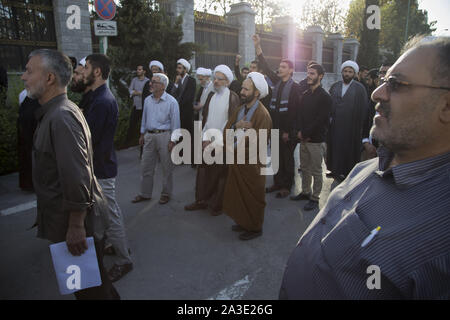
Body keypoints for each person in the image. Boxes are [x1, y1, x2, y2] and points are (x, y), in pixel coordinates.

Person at [279, 36, 450, 299]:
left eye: (396, 84)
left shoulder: (440, 241)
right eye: (383, 81)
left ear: (446, 106)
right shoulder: (365, 169)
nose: (377, 93)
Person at [21, 49, 119, 299]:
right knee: (98, 287)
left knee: (88, 292)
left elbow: (77, 176)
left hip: (73, 228)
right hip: (68, 224)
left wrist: (76, 225)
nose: (23, 77)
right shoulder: (55, 113)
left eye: (30, 71)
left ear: (50, 78)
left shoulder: (61, 117)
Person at [83, 53, 133, 283]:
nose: (82, 72)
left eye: (85, 68)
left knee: (110, 214)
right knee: (103, 214)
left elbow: (88, 140)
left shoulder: (103, 101)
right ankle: (110, 245)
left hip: (101, 169)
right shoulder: (96, 97)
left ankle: (124, 260)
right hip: (100, 167)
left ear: (97, 72)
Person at [222, 72, 273, 240]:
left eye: (246, 89)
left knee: (253, 196)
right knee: (238, 195)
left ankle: (255, 228)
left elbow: (258, 144)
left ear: (257, 93)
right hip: (237, 161)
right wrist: (237, 125)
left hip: (252, 165)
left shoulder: (262, 114)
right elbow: (226, 130)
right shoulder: (240, 110)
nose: (242, 92)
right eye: (242, 88)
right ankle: (244, 222)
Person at [184, 65, 240, 216]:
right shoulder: (211, 96)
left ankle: (217, 205)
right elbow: (206, 119)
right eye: (215, 78)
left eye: (219, 79)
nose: (215, 81)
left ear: (227, 81)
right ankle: (201, 200)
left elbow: (230, 124)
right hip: (207, 142)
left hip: (222, 143)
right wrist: (204, 138)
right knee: (203, 172)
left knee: (220, 175)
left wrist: (215, 141)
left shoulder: (232, 97)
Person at [253, 34, 302, 198]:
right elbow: (265, 66)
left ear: (291, 70)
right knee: (275, 157)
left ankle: (287, 186)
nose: (279, 69)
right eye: (279, 66)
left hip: (287, 131)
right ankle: (277, 183)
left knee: (287, 159)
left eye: (283, 67)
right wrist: (258, 46)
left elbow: (296, 112)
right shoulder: (277, 82)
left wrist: (290, 132)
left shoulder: (295, 88)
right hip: (274, 128)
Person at [132, 73, 181, 205]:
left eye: (154, 82)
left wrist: (173, 141)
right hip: (149, 136)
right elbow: (144, 118)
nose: (151, 84)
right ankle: (145, 193)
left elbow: (176, 123)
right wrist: (142, 134)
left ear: (163, 86)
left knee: (167, 168)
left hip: (165, 136)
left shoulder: (172, 102)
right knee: (146, 166)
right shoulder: (148, 100)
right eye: (151, 81)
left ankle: (166, 194)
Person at [290, 64, 332, 211]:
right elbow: (300, 115)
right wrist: (300, 132)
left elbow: (321, 120)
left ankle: (315, 198)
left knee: (316, 170)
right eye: (308, 73)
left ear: (320, 76)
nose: (308, 76)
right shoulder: (306, 95)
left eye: (312, 73)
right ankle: (306, 191)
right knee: (305, 168)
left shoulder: (325, 97)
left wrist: (307, 134)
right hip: (303, 138)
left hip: (316, 140)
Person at [327, 60, 369, 181]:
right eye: (345, 71)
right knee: (334, 147)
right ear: (342, 72)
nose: (347, 74)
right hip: (335, 125)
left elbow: (363, 109)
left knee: (348, 149)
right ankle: (334, 170)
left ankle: (346, 172)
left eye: (350, 72)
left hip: (351, 126)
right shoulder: (335, 86)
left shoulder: (359, 88)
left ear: (355, 74)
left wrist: (359, 126)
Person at [172, 58, 197, 165]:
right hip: (178, 113)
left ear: (185, 69)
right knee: (180, 135)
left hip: (187, 113)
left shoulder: (191, 80)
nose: (178, 70)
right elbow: (172, 95)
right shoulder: (177, 80)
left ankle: (190, 158)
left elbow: (189, 97)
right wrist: (176, 84)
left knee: (188, 135)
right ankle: (180, 156)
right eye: (177, 68)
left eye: (180, 68)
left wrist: (177, 103)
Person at [17, 90, 40, 191]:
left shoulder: (24, 95)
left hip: (29, 130)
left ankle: (28, 183)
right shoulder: (24, 94)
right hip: (29, 130)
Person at [126, 65, 149, 147]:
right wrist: (139, 93)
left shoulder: (148, 81)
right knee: (132, 124)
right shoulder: (134, 80)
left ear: (144, 71)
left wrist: (137, 92)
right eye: (137, 69)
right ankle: (129, 143)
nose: (138, 71)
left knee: (144, 126)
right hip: (136, 106)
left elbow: (147, 93)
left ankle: (144, 143)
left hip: (144, 107)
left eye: (140, 69)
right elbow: (130, 90)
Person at [361, 68, 380, 161]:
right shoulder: (370, 98)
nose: (367, 82)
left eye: (369, 79)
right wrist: (365, 142)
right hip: (368, 146)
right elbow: (365, 121)